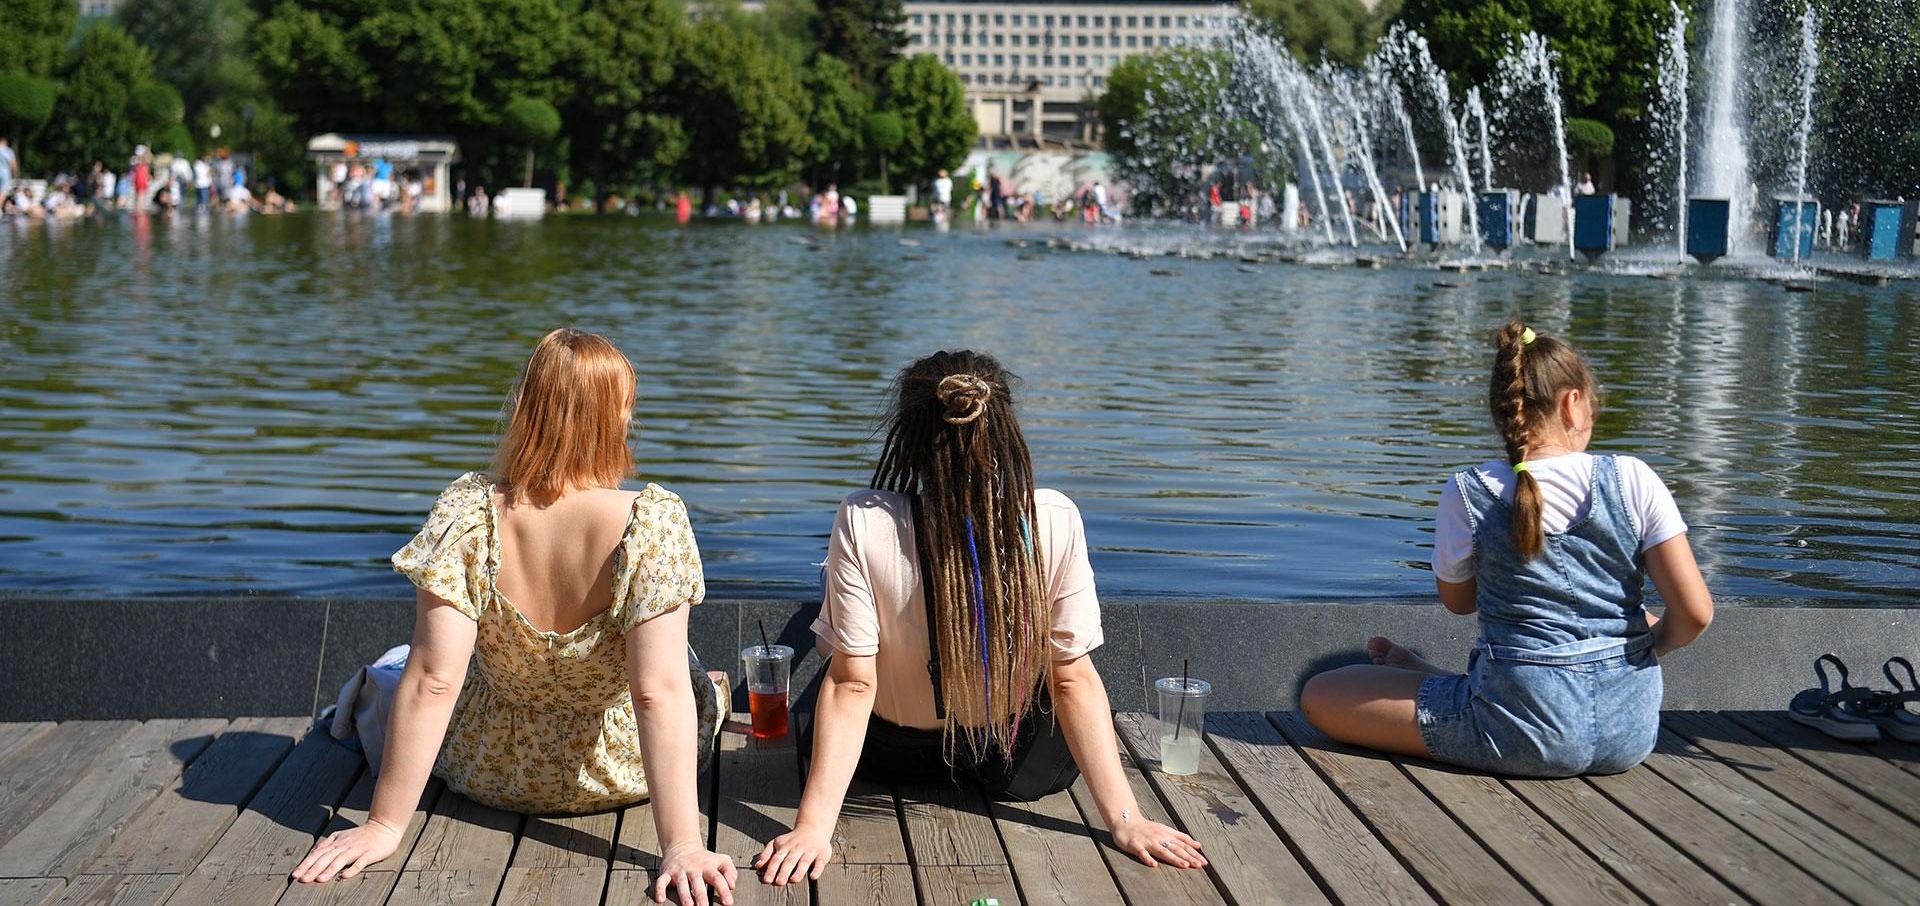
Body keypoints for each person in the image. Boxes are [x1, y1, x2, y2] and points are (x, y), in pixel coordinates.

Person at [292, 329, 733, 903]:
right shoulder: (651, 522)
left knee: (404, 665)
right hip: (618, 774)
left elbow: (435, 680)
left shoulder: (470, 511)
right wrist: (681, 846)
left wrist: (383, 826)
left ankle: (353, 700)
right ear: (612, 418)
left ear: (528, 409)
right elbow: (657, 693)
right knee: (679, 664)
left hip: (489, 768)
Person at [756, 351, 1207, 887]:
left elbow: (854, 684)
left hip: (885, 761)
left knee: (838, 671)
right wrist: (1126, 822)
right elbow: (1072, 679)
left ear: (909, 435)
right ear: (1005, 430)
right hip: (1013, 767)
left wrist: (812, 830)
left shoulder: (863, 518)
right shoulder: (1053, 517)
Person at [1300, 324, 1713, 777]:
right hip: (1629, 734)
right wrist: (1630, 645)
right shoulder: (1634, 477)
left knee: (1319, 693)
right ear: (1572, 403)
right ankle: (1444, 682)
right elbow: (1694, 614)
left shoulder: (1468, 491)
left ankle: (1448, 688)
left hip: (1517, 734)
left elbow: (1460, 603)